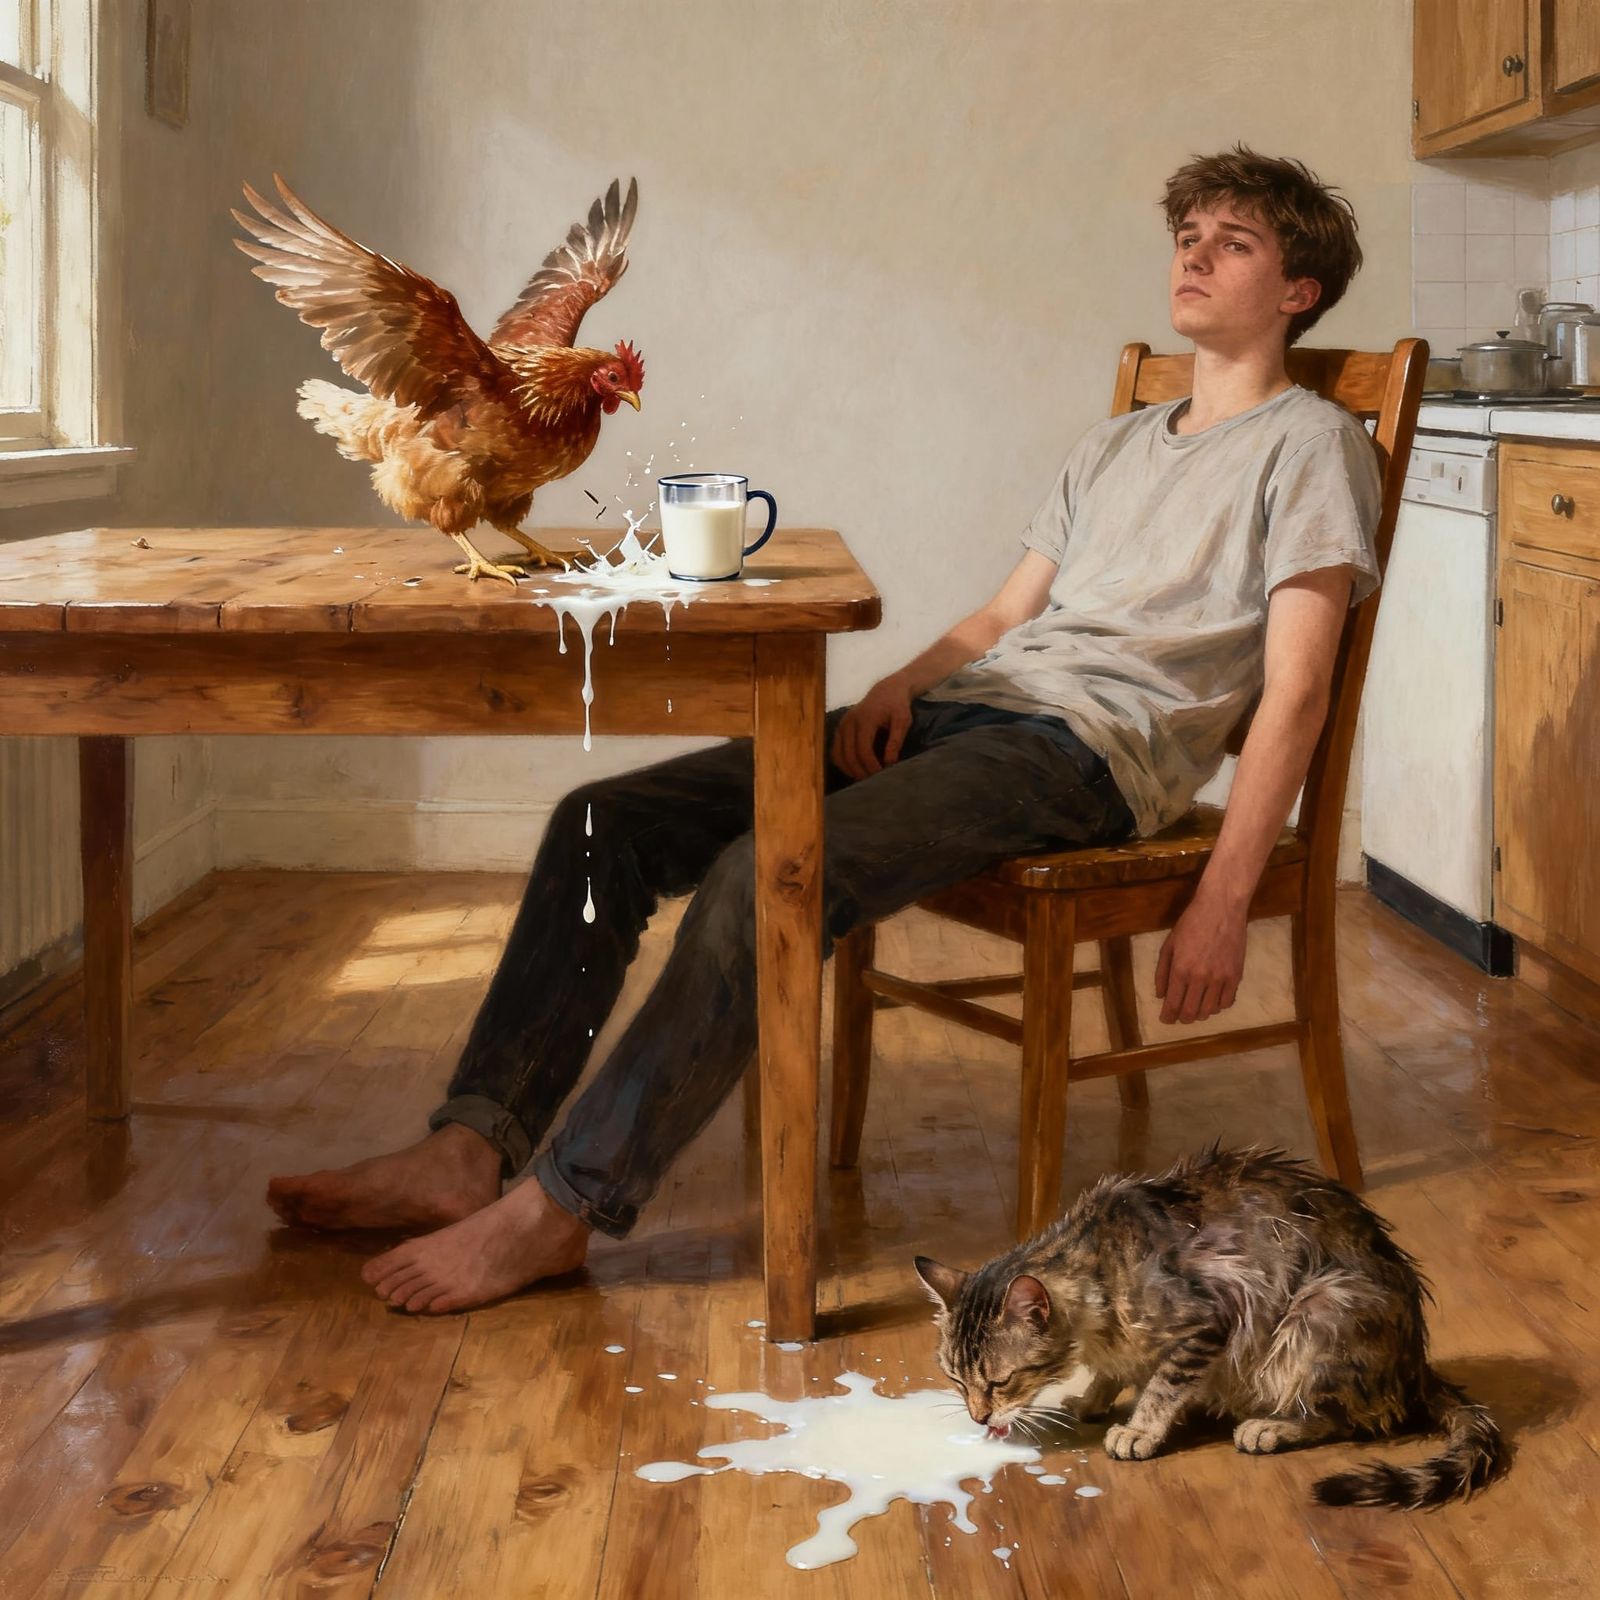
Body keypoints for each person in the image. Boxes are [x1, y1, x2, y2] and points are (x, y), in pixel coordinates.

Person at [267, 143, 1384, 1315]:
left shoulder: (1311, 447)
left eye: (1235, 243)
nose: (1194, 256)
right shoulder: (1113, 442)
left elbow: (1297, 691)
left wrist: (1222, 891)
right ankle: (467, 1148)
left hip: (1085, 754)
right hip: (976, 711)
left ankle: (560, 1208)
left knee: (768, 875)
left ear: (1298, 292)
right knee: (604, 821)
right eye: (1186, 236)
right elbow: (1008, 610)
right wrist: (907, 682)